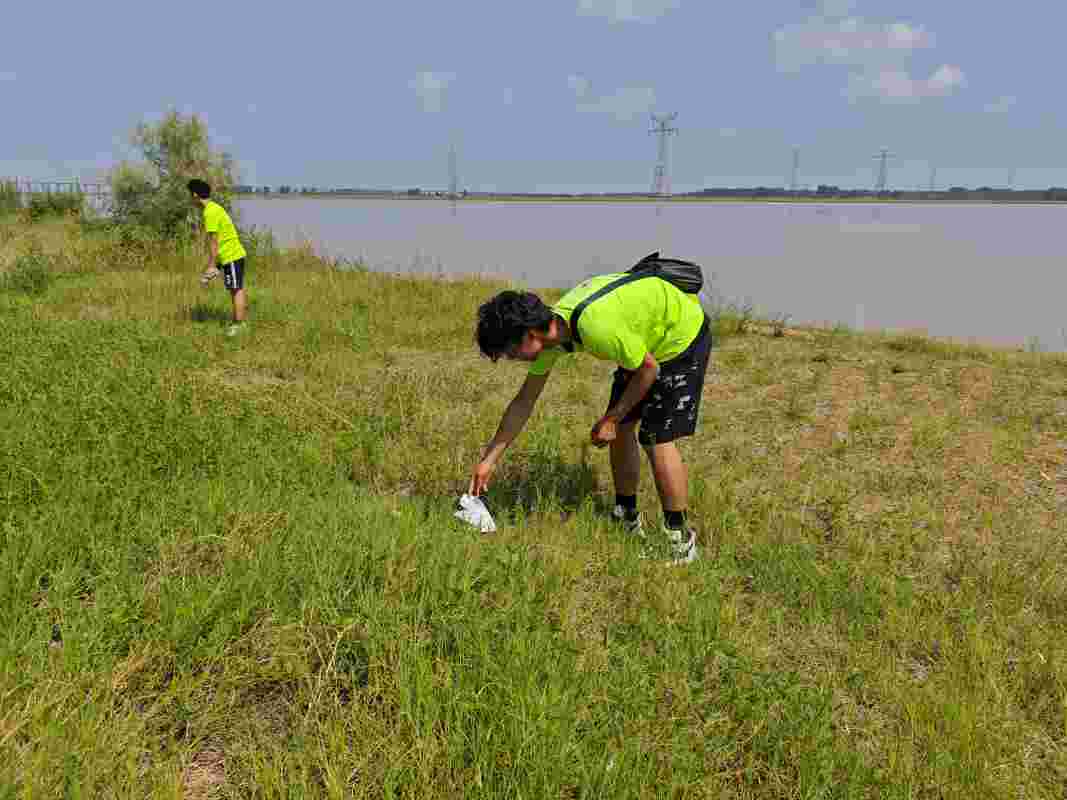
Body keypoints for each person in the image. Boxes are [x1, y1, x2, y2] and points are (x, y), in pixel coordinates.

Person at [469, 268, 712, 564]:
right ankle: (626, 516)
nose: (511, 359)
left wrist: (610, 418)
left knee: (655, 437)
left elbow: (649, 369)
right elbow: (524, 401)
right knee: (621, 427)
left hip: (679, 335)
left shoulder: (595, 327)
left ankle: (679, 540)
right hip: (642, 339)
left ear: (529, 334)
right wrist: (489, 460)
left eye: (509, 351)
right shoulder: (554, 333)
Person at [188, 179, 248, 336]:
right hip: (227, 256)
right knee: (234, 288)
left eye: (190, 195)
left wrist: (212, 265)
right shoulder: (213, 208)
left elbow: (213, 241)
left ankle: (239, 325)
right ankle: (239, 323)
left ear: (195, 195)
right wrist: (215, 267)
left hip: (231, 255)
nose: (190, 199)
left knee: (236, 289)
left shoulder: (210, 212)